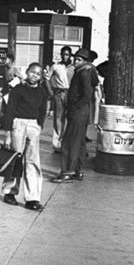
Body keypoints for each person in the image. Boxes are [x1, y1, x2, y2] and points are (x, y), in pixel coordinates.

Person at [1, 62, 48, 211]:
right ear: (26, 72)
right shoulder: (17, 90)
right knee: (15, 159)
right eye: (32, 72)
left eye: (38, 74)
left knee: (32, 162)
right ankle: (10, 192)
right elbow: (9, 111)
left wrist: (39, 125)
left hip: (33, 126)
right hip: (18, 125)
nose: (35, 75)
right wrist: (8, 132)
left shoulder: (42, 92)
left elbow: (43, 110)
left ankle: (32, 198)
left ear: (41, 77)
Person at [51, 48, 99, 183]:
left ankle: (67, 171)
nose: (75, 62)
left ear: (85, 62)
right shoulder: (88, 71)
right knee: (79, 142)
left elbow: (86, 95)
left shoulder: (83, 73)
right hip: (82, 113)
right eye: (75, 59)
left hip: (77, 112)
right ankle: (77, 170)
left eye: (79, 60)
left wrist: (74, 107)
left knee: (69, 142)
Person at [43, 46, 74, 152]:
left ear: (70, 55)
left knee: (70, 118)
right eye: (63, 54)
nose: (65, 56)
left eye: (67, 54)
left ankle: (68, 142)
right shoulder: (55, 66)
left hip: (71, 94)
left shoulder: (74, 67)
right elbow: (46, 78)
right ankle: (57, 143)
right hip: (59, 93)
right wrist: (51, 93)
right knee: (58, 118)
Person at [0, 53, 23, 130]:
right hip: (5, 91)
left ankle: (10, 125)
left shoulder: (14, 69)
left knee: (11, 108)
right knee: (3, 108)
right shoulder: (5, 69)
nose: (4, 60)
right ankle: (2, 124)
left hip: (12, 91)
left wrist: (15, 82)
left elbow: (22, 79)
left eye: (6, 59)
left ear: (10, 61)